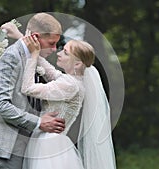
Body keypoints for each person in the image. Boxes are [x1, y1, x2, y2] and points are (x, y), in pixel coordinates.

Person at [20, 34, 117, 169]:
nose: (59, 54)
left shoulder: (70, 85)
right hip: (50, 142)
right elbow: (50, 72)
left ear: (77, 64)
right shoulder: (72, 81)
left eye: (65, 53)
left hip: (50, 145)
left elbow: (28, 88)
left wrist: (34, 57)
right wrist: (24, 40)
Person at [0, 13, 66, 169]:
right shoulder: (10, 58)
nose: (54, 49)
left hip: (28, 145)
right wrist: (40, 122)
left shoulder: (33, 57)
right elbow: (1, 106)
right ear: (35, 37)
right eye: (51, 43)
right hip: (8, 147)